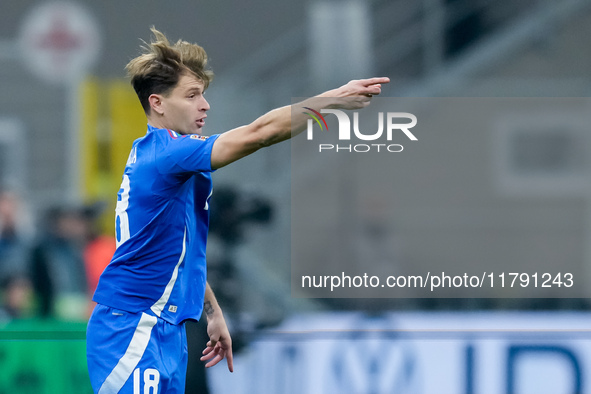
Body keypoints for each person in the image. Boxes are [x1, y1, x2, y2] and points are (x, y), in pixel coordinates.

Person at [86, 26, 389, 394]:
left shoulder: (164, 157)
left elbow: (178, 255)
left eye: (204, 94)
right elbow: (259, 133)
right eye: (192, 94)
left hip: (165, 328)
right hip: (132, 326)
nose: (205, 105)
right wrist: (332, 100)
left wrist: (211, 312)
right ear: (158, 103)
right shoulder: (169, 154)